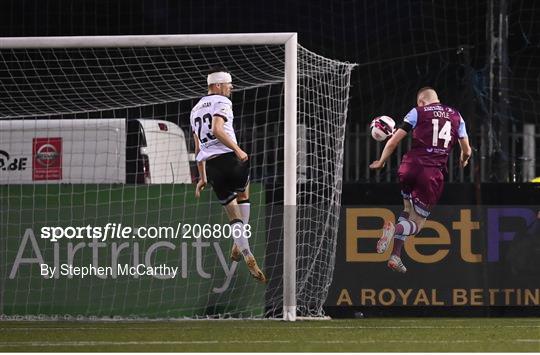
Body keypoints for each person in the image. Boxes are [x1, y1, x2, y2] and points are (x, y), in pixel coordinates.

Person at [369, 87, 472, 273]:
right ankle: (395, 230)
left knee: (407, 209)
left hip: (408, 167)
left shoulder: (418, 112)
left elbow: (393, 141)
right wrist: (463, 160)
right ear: (436, 99)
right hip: (431, 174)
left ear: (421, 102)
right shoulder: (457, 116)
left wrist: (381, 161)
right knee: (416, 226)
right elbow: (467, 150)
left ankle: (395, 255)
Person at [190, 68, 266, 283]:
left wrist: (202, 178)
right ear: (217, 86)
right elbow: (216, 129)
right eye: (228, 84)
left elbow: (198, 149)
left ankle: (244, 249)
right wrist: (238, 150)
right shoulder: (222, 102)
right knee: (243, 194)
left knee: (233, 215)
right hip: (230, 159)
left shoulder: (195, 109)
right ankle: (240, 243)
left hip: (213, 169)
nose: (231, 87)